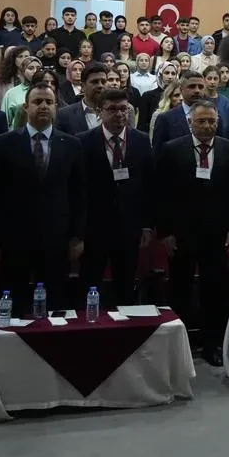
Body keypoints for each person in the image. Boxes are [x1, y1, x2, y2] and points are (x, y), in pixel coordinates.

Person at [152, 100, 229, 365]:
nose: (207, 126)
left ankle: (212, 344)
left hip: (217, 234)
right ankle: (180, 348)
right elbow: (162, 195)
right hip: (181, 234)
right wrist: (166, 232)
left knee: (215, 290)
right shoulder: (172, 150)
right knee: (180, 289)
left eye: (211, 121)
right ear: (190, 122)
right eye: (201, 121)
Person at [0, 83, 87, 314]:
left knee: (54, 302)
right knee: (14, 302)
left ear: (56, 107)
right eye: (37, 102)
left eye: (48, 102)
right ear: (25, 106)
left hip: (57, 236)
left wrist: (78, 236)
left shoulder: (71, 144)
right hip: (14, 237)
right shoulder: (5, 142)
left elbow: (79, 193)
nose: (43, 106)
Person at [77, 88, 154, 306]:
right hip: (94, 228)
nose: (119, 114)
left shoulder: (140, 140)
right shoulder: (83, 142)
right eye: (112, 109)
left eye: (123, 109)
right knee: (90, 284)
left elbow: (148, 185)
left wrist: (147, 225)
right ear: (99, 112)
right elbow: (79, 189)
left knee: (126, 285)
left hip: (129, 228)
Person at [55, 61, 110, 134]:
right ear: (82, 86)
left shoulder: (118, 112)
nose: (100, 85)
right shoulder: (64, 115)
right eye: (95, 82)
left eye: (103, 82)